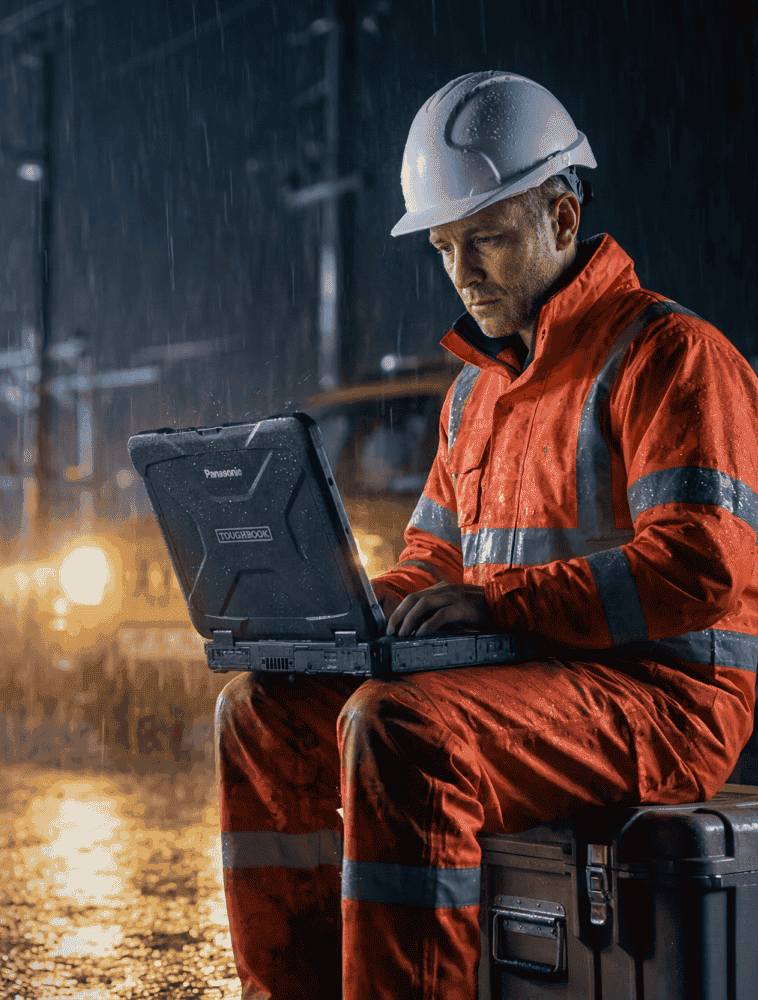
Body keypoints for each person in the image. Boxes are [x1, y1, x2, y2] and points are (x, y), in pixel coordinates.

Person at [217, 71, 758, 999]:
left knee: (401, 731)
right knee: (261, 709)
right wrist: (332, 622)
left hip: (664, 699)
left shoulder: (671, 357)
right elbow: (432, 565)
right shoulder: (475, 394)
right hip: (527, 679)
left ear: (561, 212)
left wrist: (496, 601)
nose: (463, 272)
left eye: (488, 240)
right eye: (443, 247)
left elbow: (701, 568)